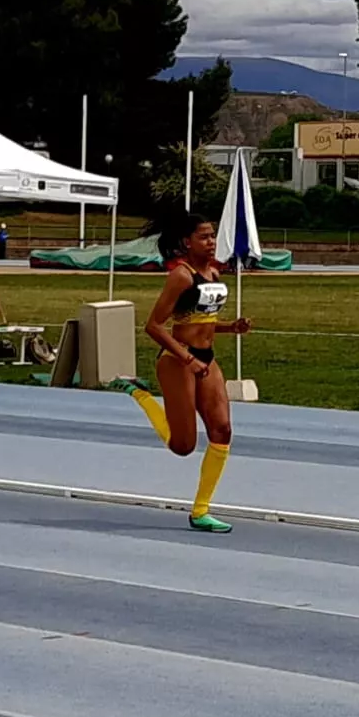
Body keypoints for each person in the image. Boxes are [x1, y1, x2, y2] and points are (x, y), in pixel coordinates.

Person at [109, 210, 251, 535]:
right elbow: (154, 326)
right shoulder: (181, 276)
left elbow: (202, 322)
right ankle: (140, 393)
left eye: (213, 235)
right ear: (188, 242)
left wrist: (232, 327)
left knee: (223, 430)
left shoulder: (213, 274)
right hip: (178, 362)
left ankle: (200, 511)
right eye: (204, 236)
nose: (211, 241)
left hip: (206, 359)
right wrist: (188, 360)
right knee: (183, 445)